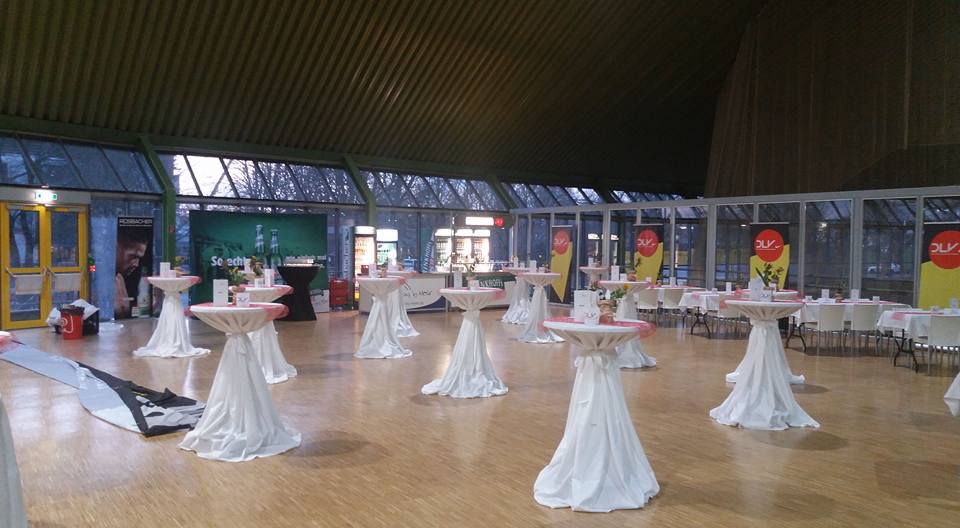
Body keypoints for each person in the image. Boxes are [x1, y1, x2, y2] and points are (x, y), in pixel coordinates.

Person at [114, 229, 150, 319]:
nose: (136, 264)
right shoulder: (102, 279)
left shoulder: (119, 279)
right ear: (116, 248)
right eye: (133, 257)